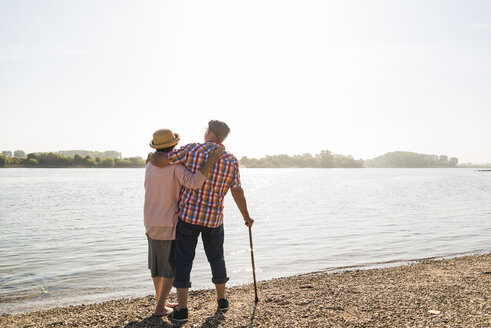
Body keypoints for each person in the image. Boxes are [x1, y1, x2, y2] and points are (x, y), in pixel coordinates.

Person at [149, 120, 254, 322]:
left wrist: (153, 156)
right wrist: (246, 216)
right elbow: (237, 190)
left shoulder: (192, 150)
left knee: (183, 260)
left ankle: (182, 308)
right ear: (223, 137)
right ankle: (222, 300)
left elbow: (163, 161)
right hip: (214, 219)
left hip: (188, 216)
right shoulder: (231, 160)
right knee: (217, 258)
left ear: (209, 132)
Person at [144, 128, 223, 317]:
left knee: (156, 264)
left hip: (150, 220)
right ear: (174, 145)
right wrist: (210, 161)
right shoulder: (175, 167)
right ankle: (160, 307)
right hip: (169, 221)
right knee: (170, 267)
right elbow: (194, 182)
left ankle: (160, 300)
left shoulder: (149, 164)